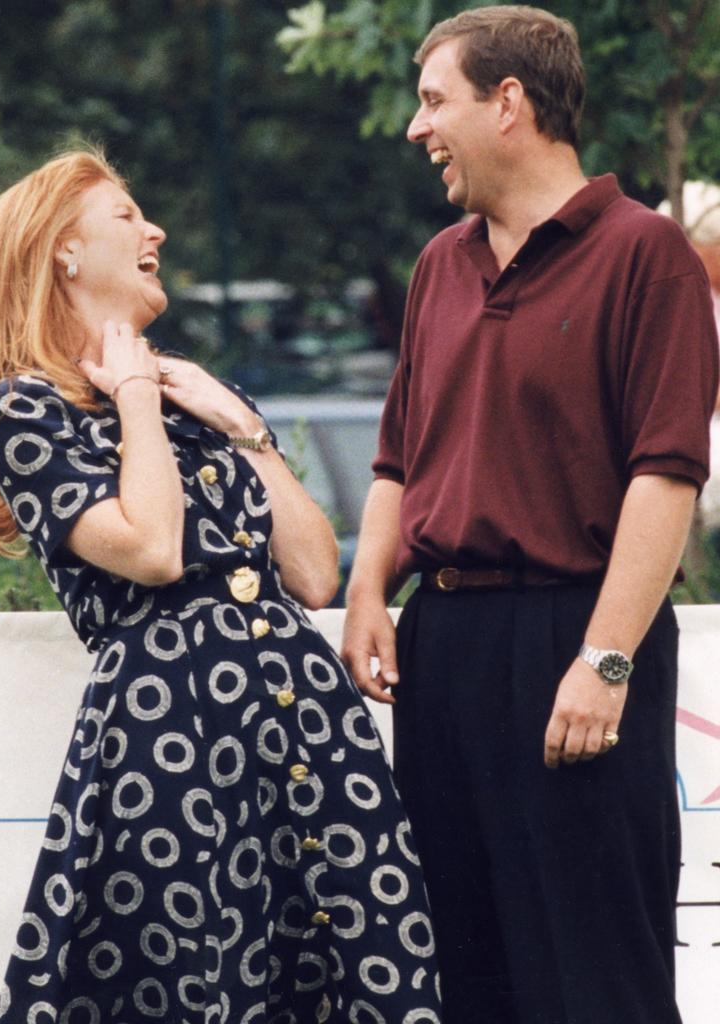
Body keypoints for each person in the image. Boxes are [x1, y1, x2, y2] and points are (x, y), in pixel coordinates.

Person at [0, 150, 443, 1024]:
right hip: (175, 736)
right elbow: (151, 551)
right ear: (61, 251)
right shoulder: (23, 409)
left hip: (305, 721)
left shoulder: (188, 394)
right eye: (127, 216)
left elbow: (312, 573)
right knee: (193, 975)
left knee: (360, 961)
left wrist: (241, 425)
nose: (157, 232)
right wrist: (137, 396)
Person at [342, 7, 718, 1024]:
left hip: (575, 637)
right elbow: (397, 460)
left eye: (434, 101)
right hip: (444, 646)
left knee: (597, 974)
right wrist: (369, 589)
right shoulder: (439, 266)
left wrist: (605, 660)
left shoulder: (649, 256)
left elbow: (667, 476)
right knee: (463, 969)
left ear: (509, 103)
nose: (418, 129)